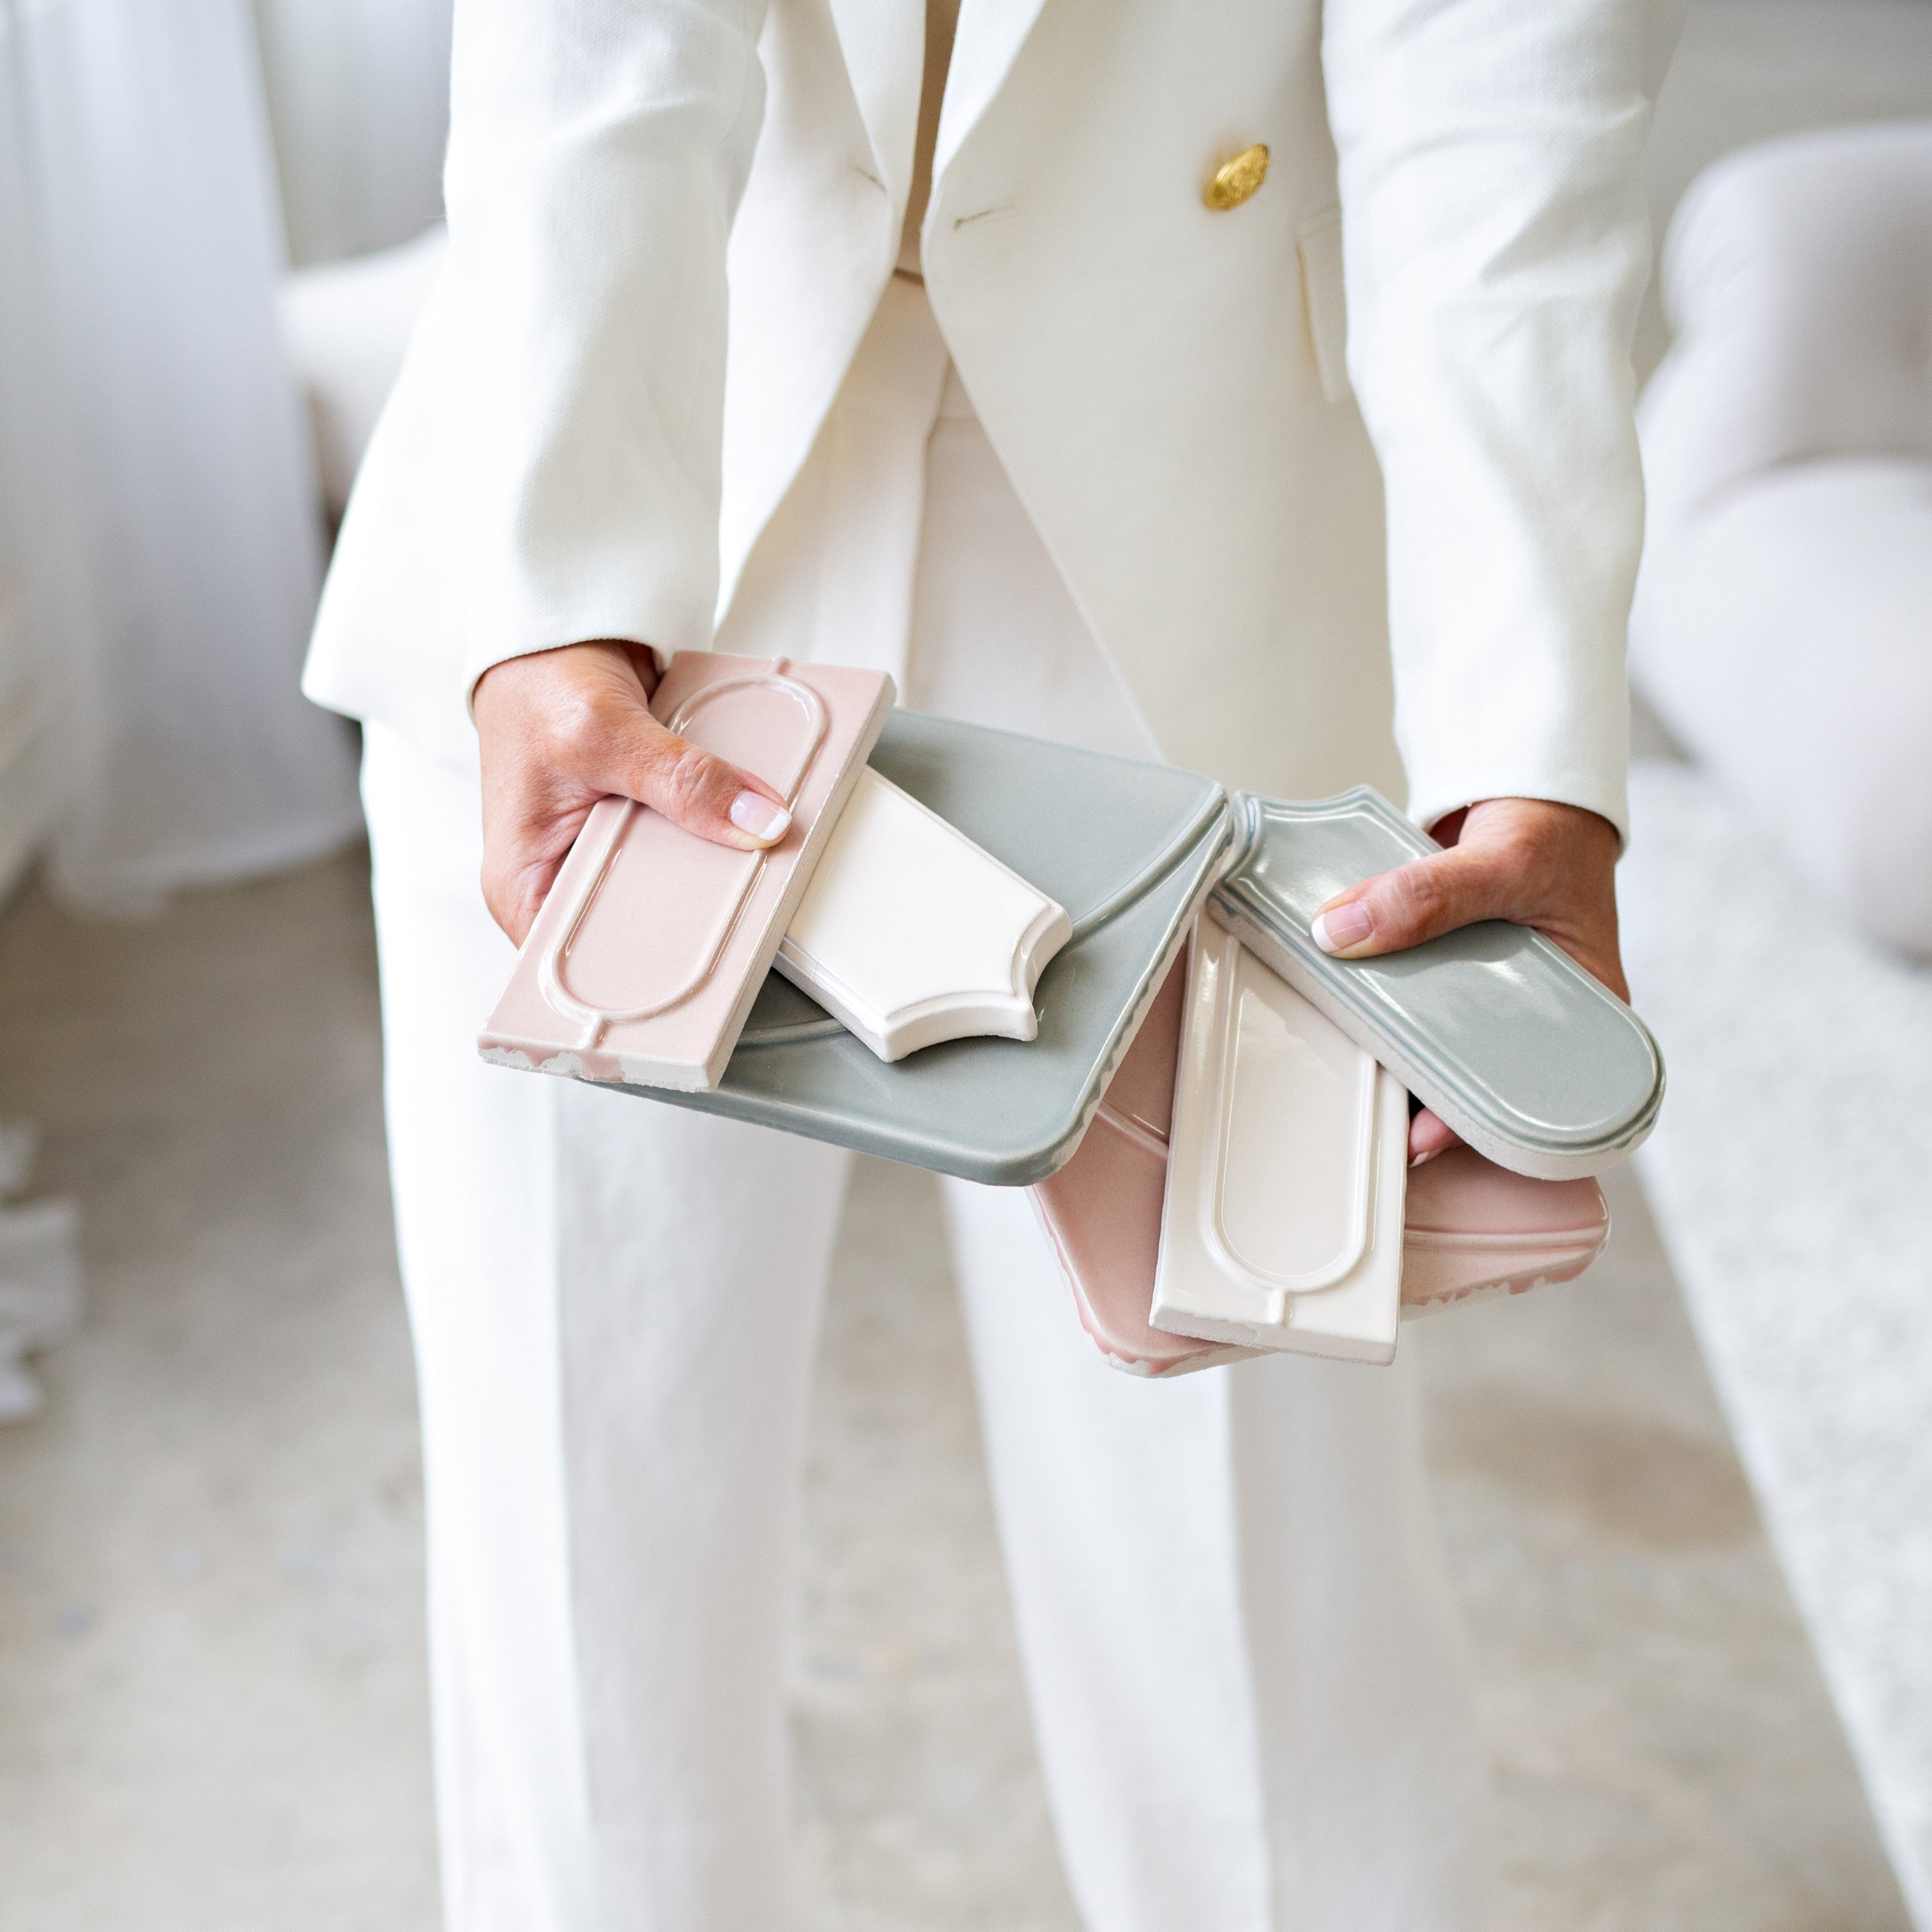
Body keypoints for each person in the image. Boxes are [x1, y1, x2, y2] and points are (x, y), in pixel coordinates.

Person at [305, 2, 1682, 1926]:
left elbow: (1500, 107)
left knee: (1255, 1572)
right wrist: (549, 598)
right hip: (622, 524)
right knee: (580, 1527)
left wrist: (1529, 748)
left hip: (1199, 536)